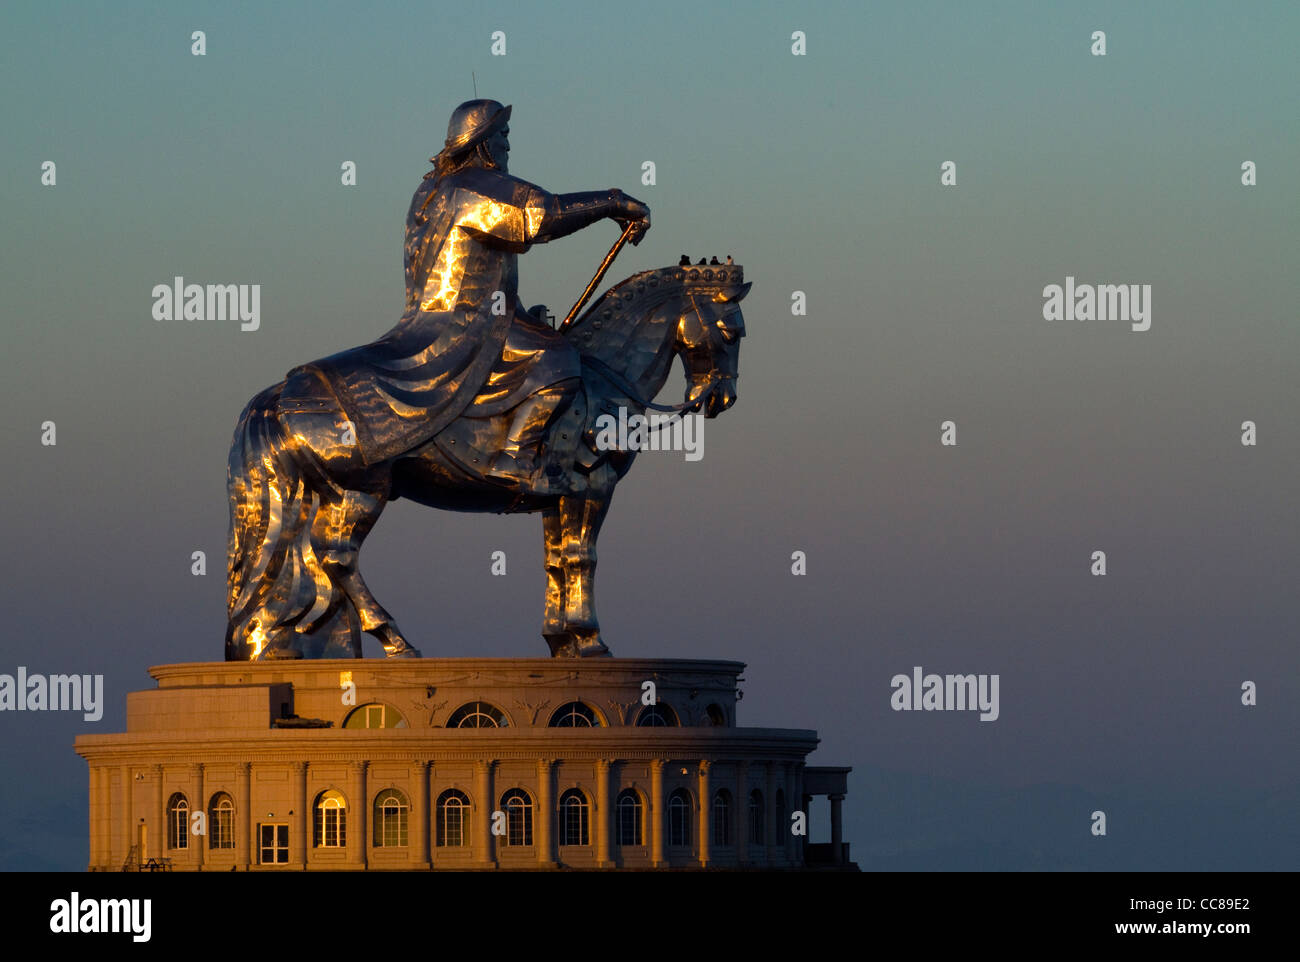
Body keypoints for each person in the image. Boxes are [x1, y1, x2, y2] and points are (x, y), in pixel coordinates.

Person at [290, 99, 650, 495]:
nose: (508, 146)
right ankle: (516, 457)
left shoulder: (429, 191)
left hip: (428, 318)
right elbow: (543, 215)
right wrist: (613, 201)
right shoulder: (478, 187)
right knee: (559, 361)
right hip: (469, 324)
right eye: (503, 136)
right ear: (480, 142)